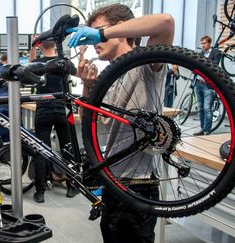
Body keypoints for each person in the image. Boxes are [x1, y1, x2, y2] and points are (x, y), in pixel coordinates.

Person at [67, 3, 174, 243]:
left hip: (138, 185)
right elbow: (92, 128)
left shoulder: (146, 65)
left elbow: (166, 22)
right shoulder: (112, 77)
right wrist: (88, 86)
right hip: (113, 182)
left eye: (98, 32)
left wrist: (105, 32)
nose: (95, 40)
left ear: (120, 29)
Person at [29, 39, 79, 203]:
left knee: (41, 149)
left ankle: (41, 191)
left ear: (41, 47)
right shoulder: (63, 62)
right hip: (62, 110)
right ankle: (72, 186)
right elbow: (75, 71)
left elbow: (27, 73)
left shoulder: (37, 63)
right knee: (67, 148)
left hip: (43, 110)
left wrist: (32, 47)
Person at [193, 36, 222, 136]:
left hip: (207, 85)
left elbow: (214, 66)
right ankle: (202, 128)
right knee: (200, 108)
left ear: (209, 43)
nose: (202, 45)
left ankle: (207, 130)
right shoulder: (200, 54)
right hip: (198, 84)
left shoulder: (216, 53)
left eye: (204, 43)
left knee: (207, 108)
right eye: (201, 43)